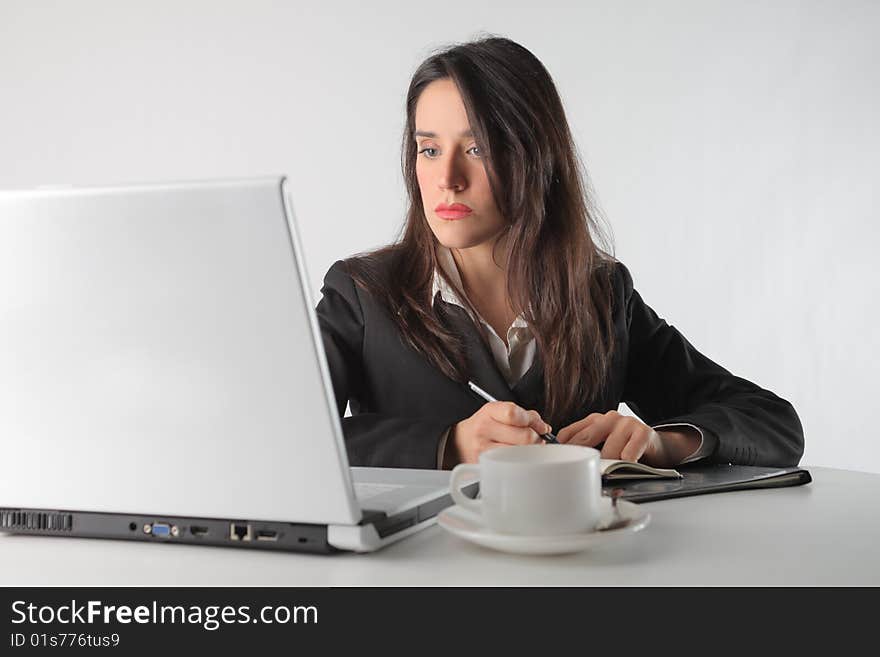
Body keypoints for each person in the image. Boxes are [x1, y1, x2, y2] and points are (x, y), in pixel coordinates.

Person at [315, 36, 804, 470]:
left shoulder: (601, 294)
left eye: (478, 149)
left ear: (536, 158)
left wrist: (662, 442)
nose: (448, 180)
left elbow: (773, 424)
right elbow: (291, 438)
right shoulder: (359, 294)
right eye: (429, 150)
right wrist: (450, 445)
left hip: (577, 569)